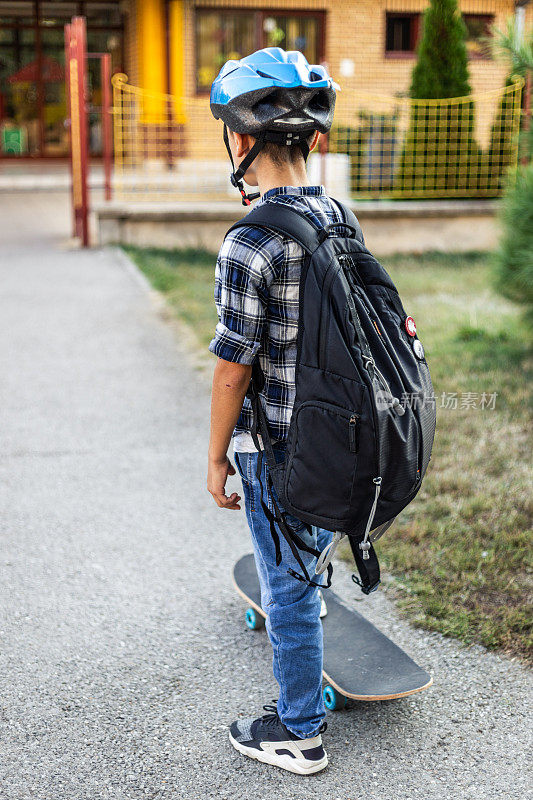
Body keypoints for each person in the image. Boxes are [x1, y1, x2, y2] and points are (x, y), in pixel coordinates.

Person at [206, 47, 349, 775]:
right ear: (314, 138)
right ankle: (308, 599)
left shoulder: (251, 237)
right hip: (343, 437)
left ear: (239, 139)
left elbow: (233, 367)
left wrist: (213, 458)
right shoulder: (336, 213)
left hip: (279, 448)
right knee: (306, 561)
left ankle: (297, 730)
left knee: (284, 588)